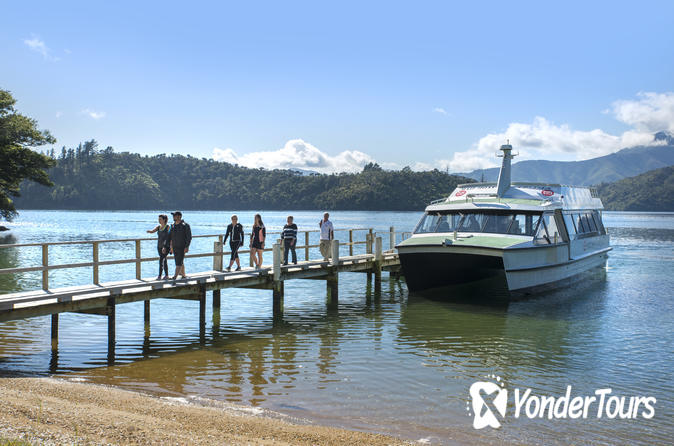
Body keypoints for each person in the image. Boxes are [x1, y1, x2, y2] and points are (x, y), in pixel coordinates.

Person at [169, 211, 192, 279]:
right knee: (179, 261)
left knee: (178, 262)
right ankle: (183, 275)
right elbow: (170, 237)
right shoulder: (172, 225)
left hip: (182, 247)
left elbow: (189, 237)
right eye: (173, 216)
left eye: (175, 216)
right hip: (175, 246)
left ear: (179, 216)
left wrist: (187, 246)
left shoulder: (185, 225)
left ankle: (175, 276)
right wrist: (171, 247)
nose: (173, 217)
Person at [147, 214, 170, 280]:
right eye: (158, 219)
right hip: (159, 246)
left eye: (160, 219)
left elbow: (170, 236)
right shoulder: (158, 227)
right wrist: (149, 231)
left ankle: (160, 275)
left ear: (164, 220)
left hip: (165, 247)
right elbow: (152, 231)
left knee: (161, 260)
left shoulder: (167, 227)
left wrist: (169, 246)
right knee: (163, 260)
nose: (159, 220)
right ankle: (166, 275)